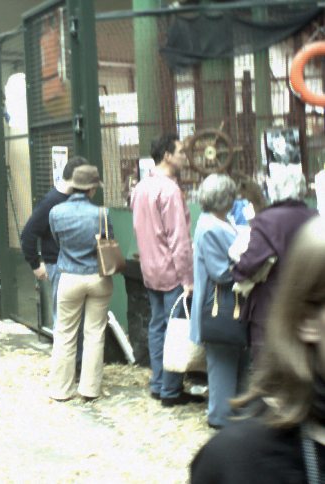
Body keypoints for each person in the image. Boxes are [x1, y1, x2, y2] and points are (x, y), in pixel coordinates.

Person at [190, 216, 325, 483]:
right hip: (268, 313)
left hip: (263, 309)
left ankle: (219, 415)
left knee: (226, 364)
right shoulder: (242, 460)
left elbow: (235, 270)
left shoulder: (261, 225)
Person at [131, 133, 201, 406]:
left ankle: (158, 383)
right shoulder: (170, 191)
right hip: (172, 272)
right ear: (168, 155)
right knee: (176, 331)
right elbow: (179, 240)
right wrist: (188, 278)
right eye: (181, 151)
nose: (185, 156)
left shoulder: (141, 187)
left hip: (150, 270)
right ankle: (171, 391)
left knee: (157, 326)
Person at [232, 171, 317, 364]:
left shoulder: (267, 220)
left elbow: (249, 263)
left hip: (270, 311)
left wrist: (236, 272)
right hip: (307, 310)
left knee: (268, 377)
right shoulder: (315, 218)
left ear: (274, 191)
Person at [48, 165, 113, 401]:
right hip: (98, 277)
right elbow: (108, 241)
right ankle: (89, 389)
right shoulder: (103, 214)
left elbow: (57, 240)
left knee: (64, 333)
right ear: (93, 188)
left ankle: (61, 390)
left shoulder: (56, 212)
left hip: (69, 276)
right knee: (95, 333)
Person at [190, 175, 249, 429]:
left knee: (229, 362)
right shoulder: (211, 227)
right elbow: (221, 273)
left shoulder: (216, 221)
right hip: (219, 306)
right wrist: (250, 265)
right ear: (226, 199)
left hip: (225, 306)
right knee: (222, 365)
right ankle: (220, 419)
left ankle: (229, 416)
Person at [21, 156, 88, 369]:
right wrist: (35, 264)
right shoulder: (52, 201)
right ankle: (66, 369)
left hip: (71, 265)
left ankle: (75, 367)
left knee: (73, 320)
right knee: (65, 320)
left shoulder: (68, 198)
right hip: (57, 264)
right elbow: (28, 234)